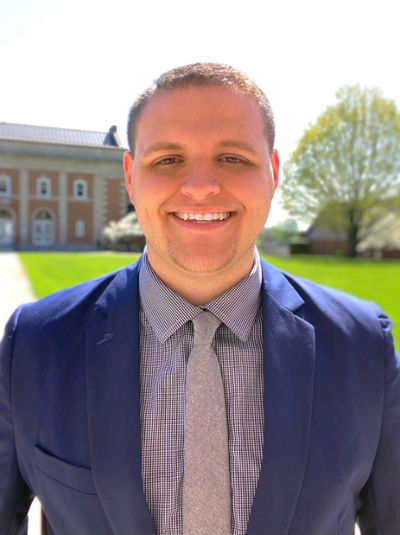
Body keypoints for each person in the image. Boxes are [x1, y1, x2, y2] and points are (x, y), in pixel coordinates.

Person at [0, 63, 398, 535]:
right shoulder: (35, 344)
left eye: (233, 157)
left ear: (272, 173)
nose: (201, 186)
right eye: (168, 159)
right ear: (130, 176)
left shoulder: (362, 347)